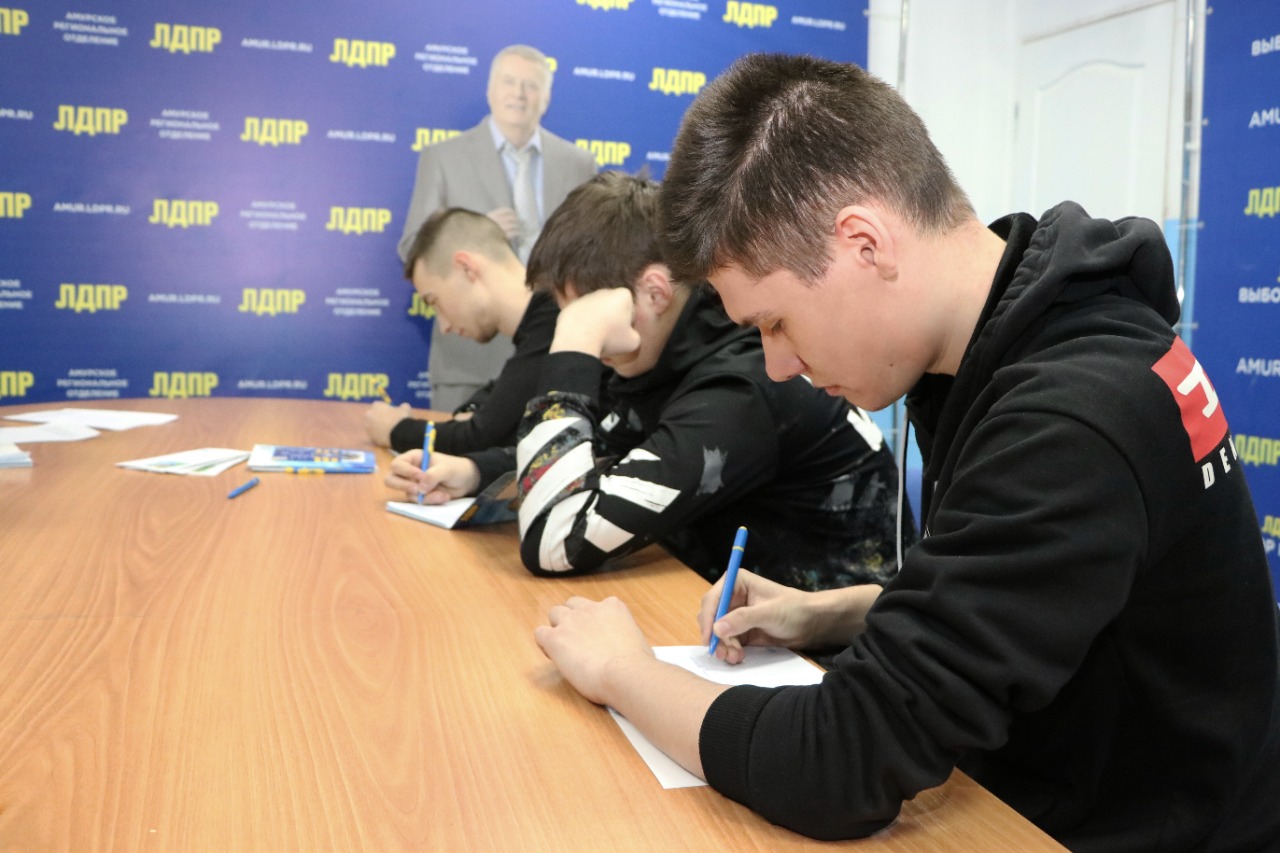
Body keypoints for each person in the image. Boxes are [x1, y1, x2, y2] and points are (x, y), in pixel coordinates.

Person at [532, 54, 1280, 852]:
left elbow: (840, 764)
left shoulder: (1070, 417)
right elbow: (1034, 603)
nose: (777, 364)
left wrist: (624, 671)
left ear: (864, 243)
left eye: (776, 322)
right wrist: (828, 612)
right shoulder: (1003, 343)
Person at [390, 170, 909, 592]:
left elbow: (555, 541)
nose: (587, 330)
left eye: (586, 311)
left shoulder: (740, 388)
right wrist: (477, 472)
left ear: (655, 292)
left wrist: (574, 342)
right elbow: (612, 453)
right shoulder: (676, 351)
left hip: (822, 661)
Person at [399, 44, 598, 412]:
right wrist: (478, 231)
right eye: (509, 82)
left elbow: (595, 253)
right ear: (490, 91)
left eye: (531, 85)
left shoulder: (578, 163)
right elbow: (414, 249)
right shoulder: (443, 156)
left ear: (546, 98)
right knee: (455, 444)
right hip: (468, 360)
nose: (518, 94)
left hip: (554, 350)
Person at [366, 207, 558, 461]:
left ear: (466, 268)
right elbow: (495, 407)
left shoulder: (555, 321)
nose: (444, 325)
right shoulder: (540, 325)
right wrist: (475, 412)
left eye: (434, 301)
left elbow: (480, 438)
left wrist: (396, 430)